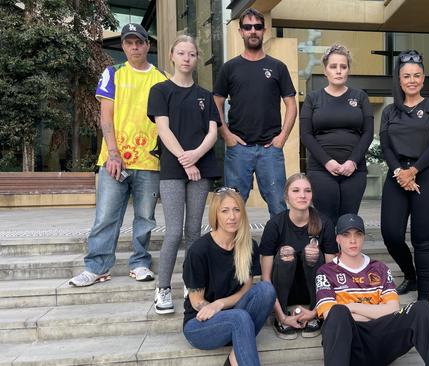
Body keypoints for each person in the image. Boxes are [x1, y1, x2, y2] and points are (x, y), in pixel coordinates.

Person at [69, 23, 167, 287]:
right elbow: (106, 118)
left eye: (139, 42)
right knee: (105, 216)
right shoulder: (112, 74)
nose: (134, 47)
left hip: (149, 161)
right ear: (123, 46)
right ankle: (96, 267)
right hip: (115, 161)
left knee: (145, 218)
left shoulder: (162, 79)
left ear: (148, 45)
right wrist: (113, 154)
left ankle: (140, 263)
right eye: (129, 43)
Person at [316, 213, 429, 366]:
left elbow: (392, 308)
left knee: (422, 308)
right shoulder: (326, 271)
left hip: (381, 339)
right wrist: (369, 314)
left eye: (358, 234)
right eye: (346, 235)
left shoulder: (379, 268)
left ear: (363, 238)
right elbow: (330, 315)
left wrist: (350, 307)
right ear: (338, 239)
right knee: (338, 313)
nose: (352, 240)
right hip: (350, 345)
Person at [147, 35, 221, 314]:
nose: (187, 58)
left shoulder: (205, 95)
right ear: (172, 56)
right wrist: (184, 159)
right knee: (174, 231)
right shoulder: (160, 90)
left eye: (191, 54)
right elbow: (163, 129)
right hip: (172, 169)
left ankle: (193, 288)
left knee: (193, 232)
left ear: (196, 58)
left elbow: (213, 132)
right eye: (181, 53)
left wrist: (195, 157)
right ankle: (163, 288)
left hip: (200, 167)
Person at [213, 7, 297, 217]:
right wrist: (227, 136)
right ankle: (234, 250)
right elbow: (216, 103)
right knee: (233, 207)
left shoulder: (277, 67)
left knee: (278, 205)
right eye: (248, 27)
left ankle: (280, 250)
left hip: (270, 150)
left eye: (257, 27)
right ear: (240, 31)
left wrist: (282, 138)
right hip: (238, 149)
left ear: (264, 30)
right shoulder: (229, 68)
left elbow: (292, 105)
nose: (253, 31)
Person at [379, 50, 429, 301]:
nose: (412, 80)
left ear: (423, 78)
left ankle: (424, 299)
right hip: (397, 176)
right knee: (391, 234)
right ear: (399, 79)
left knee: (422, 239)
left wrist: (413, 171)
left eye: (416, 76)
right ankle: (411, 274)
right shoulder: (389, 112)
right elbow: (385, 146)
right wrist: (400, 173)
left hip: (426, 175)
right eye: (406, 76)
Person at [182, 188, 276, 366]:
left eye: (236, 210)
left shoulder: (249, 246)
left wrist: (221, 304)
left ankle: (236, 355)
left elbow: (246, 289)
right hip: (201, 324)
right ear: (215, 214)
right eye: (225, 211)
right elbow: (196, 301)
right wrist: (216, 309)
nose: (232, 216)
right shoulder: (199, 250)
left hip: (236, 317)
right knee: (238, 318)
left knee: (266, 290)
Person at [300, 43, 374, 225]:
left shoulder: (360, 97)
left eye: (343, 66)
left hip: (354, 170)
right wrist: (328, 162)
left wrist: (352, 162)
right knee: (326, 221)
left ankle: (346, 255)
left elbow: (368, 133)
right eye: (333, 67)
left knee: (349, 222)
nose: (338, 71)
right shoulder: (313, 98)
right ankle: (329, 254)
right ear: (325, 70)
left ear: (348, 70)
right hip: (321, 170)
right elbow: (306, 134)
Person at [260, 173, 338, 339]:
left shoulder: (324, 223)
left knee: (313, 254)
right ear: (286, 196)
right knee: (285, 254)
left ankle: (315, 315)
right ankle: (281, 319)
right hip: (282, 293)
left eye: (307, 191)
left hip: (314, 293)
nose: (302, 195)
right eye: (296, 190)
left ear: (312, 195)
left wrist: (316, 311)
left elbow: (332, 273)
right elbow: (265, 280)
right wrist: (281, 316)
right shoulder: (274, 225)